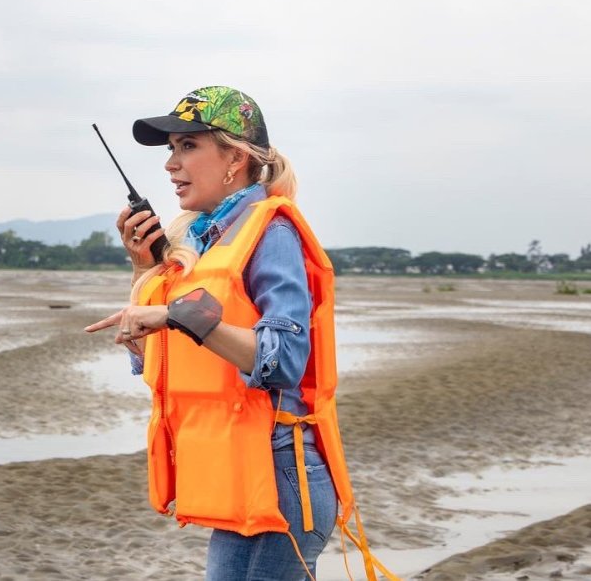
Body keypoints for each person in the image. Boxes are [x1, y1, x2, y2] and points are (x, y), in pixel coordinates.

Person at [85, 86, 397, 581]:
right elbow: (156, 361)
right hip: (236, 468)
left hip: (281, 471)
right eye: (170, 149)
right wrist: (143, 268)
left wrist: (175, 315)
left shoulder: (271, 232)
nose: (170, 164)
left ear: (234, 157)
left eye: (188, 146)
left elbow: (284, 359)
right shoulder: (202, 243)